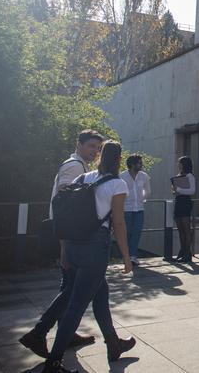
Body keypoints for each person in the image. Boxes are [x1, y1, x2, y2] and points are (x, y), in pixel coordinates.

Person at [42, 140, 136, 373]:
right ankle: (53, 363)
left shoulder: (82, 178)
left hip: (73, 245)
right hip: (94, 248)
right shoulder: (117, 184)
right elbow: (118, 223)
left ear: (100, 155)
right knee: (76, 307)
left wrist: (64, 249)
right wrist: (126, 257)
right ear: (119, 158)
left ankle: (113, 344)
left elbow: (65, 215)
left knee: (100, 295)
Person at [20, 129, 104, 358]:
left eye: (97, 148)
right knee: (70, 290)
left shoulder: (80, 166)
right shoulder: (73, 166)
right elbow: (65, 207)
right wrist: (65, 245)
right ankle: (39, 333)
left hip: (72, 237)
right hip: (70, 237)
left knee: (69, 287)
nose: (94, 152)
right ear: (79, 144)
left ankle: (66, 333)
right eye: (91, 147)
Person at [120, 154, 151, 267]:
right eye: (139, 163)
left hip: (139, 208)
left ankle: (133, 256)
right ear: (132, 165)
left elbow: (147, 191)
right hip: (126, 209)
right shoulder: (122, 176)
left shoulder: (144, 176)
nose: (141, 165)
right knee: (127, 232)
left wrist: (140, 199)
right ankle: (126, 256)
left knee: (137, 232)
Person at [172, 156, 196, 263]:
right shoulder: (178, 176)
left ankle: (187, 253)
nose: (178, 165)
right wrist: (174, 190)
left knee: (186, 228)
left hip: (185, 202)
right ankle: (182, 251)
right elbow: (176, 190)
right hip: (178, 202)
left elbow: (192, 191)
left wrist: (179, 189)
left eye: (180, 163)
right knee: (180, 229)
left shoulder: (189, 176)